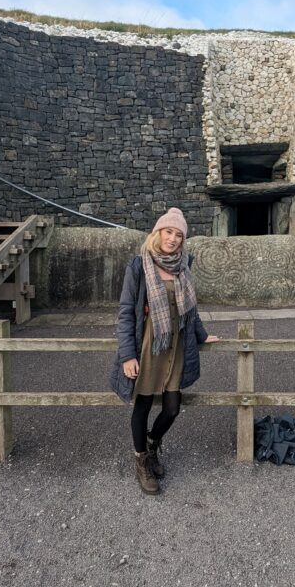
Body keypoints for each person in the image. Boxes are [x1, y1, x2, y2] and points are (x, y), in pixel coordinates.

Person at [109, 208, 219, 495]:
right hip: (149, 345)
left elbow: (190, 310)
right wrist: (128, 355)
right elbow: (126, 312)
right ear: (158, 233)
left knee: (172, 408)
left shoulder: (183, 266)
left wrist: (203, 335)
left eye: (178, 235)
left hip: (176, 346)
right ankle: (141, 461)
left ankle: (151, 444)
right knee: (143, 405)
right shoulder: (139, 265)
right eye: (168, 232)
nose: (173, 239)